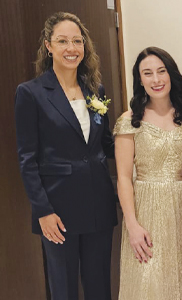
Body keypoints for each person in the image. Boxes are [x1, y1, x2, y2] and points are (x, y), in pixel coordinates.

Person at [15, 12, 117, 300]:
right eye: (62, 41)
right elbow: (27, 158)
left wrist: (138, 128)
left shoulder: (94, 90)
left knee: (100, 288)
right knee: (64, 290)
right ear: (48, 46)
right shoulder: (31, 93)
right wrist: (43, 211)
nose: (71, 48)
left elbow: (105, 144)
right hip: (58, 210)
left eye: (77, 41)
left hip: (99, 203)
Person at [113, 46, 182, 300]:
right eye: (147, 73)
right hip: (147, 213)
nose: (156, 80)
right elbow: (123, 178)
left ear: (171, 74)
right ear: (140, 80)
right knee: (150, 284)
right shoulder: (129, 120)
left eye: (161, 71)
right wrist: (132, 225)